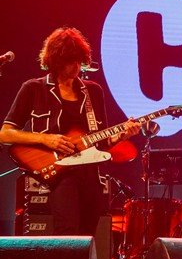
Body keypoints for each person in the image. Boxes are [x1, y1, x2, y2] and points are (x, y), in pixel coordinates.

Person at [1, 27, 140, 235]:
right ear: (56, 61)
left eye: (79, 61)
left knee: (88, 237)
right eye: (70, 61)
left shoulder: (93, 91)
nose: (76, 66)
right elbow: (5, 133)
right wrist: (46, 139)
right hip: (60, 174)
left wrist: (122, 135)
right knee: (67, 232)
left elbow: (101, 141)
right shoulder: (34, 88)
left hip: (91, 175)